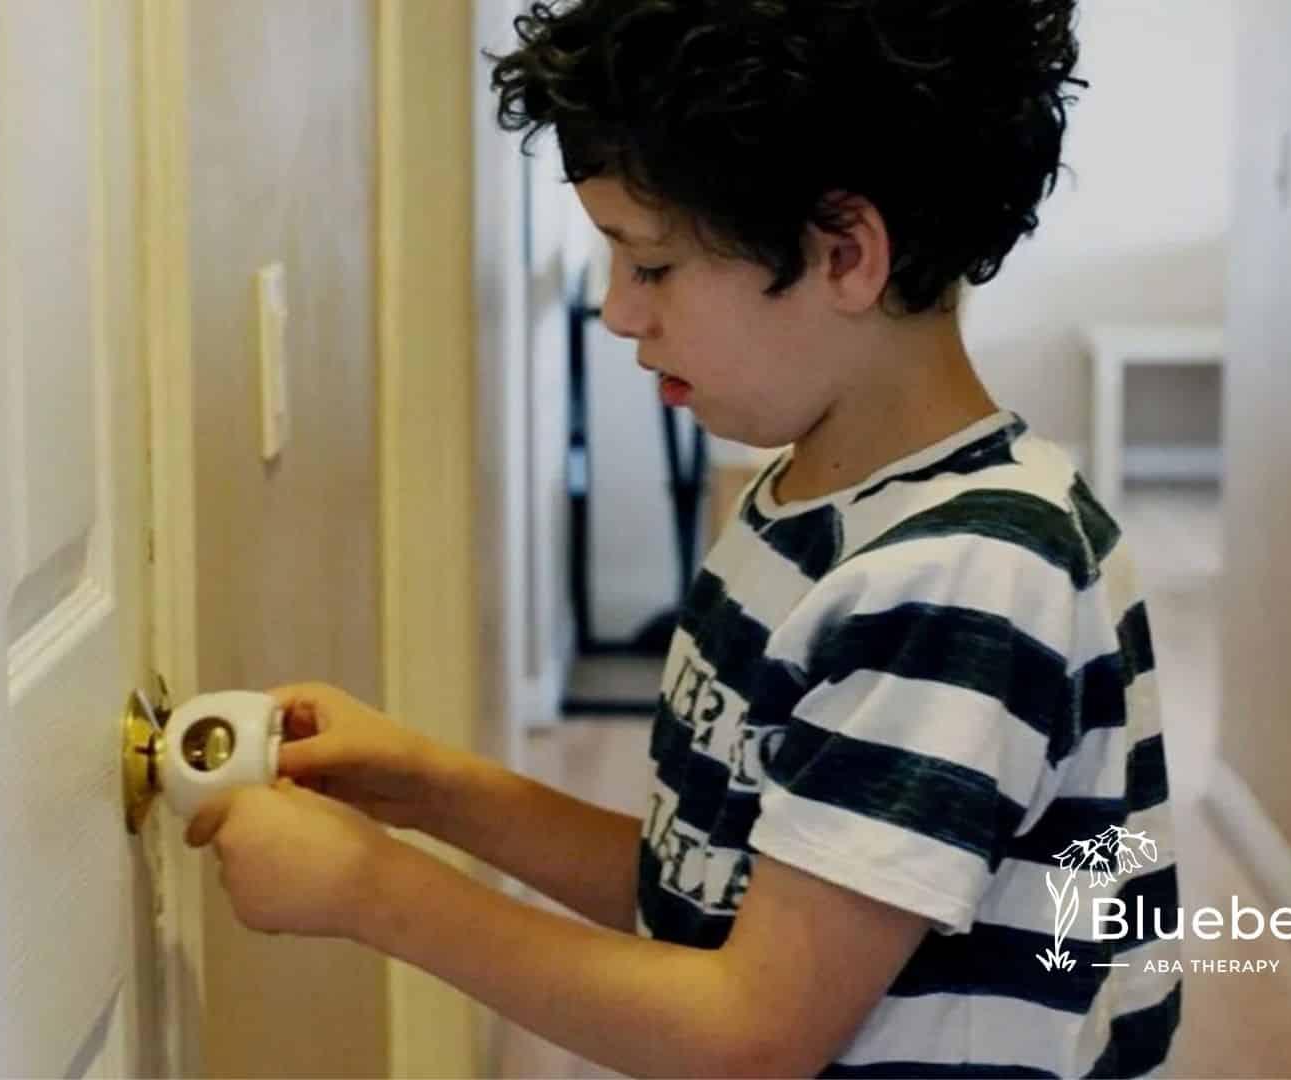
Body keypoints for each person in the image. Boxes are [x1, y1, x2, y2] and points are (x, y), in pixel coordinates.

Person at [183, 0, 1183, 1074]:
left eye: (649, 265)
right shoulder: (806, 506)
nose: (618, 312)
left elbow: (753, 1029)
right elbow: (707, 886)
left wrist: (375, 894)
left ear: (844, 253)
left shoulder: (964, 577)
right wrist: (428, 787)